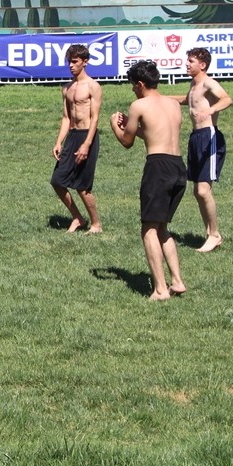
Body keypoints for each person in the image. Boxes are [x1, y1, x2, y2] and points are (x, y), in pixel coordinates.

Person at [109, 60, 187, 302]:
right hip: (178, 167)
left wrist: (114, 125)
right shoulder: (173, 104)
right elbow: (153, 132)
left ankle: (160, 289)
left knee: (149, 229)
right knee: (163, 227)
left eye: (133, 85)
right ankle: (177, 281)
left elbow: (127, 141)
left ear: (141, 84)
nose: (132, 89)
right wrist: (133, 128)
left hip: (158, 168)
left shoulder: (138, 105)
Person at [171, 47, 232, 253]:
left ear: (202, 65)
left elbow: (226, 99)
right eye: (187, 60)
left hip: (209, 137)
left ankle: (214, 235)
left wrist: (212, 109)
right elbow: (185, 99)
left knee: (203, 190)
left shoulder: (208, 83)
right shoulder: (193, 84)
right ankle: (210, 233)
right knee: (198, 192)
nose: (187, 64)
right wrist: (159, 98)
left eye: (191, 61)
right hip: (196, 138)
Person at [51, 44, 103, 233]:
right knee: (57, 181)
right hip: (72, 136)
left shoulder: (93, 86)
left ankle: (96, 224)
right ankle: (77, 217)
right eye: (69, 62)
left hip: (87, 135)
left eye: (75, 62)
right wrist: (59, 142)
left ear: (85, 62)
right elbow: (66, 118)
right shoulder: (66, 88)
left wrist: (86, 144)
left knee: (82, 186)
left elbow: (95, 117)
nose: (71, 66)